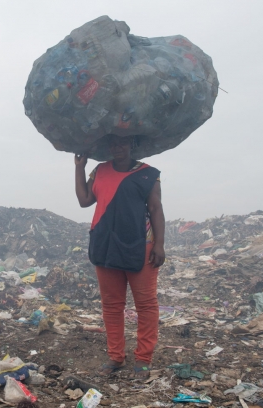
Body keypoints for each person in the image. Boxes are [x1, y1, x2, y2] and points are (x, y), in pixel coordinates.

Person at [74, 135, 165, 380]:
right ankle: (116, 356)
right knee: (112, 306)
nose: (118, 147)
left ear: (132, 144)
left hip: (141, 244)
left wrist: (160, 244)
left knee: (145, 304)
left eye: (123, 142)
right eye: (113, 143)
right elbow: (84, 201)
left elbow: (156, 208)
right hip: (105, 243)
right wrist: (79, 168)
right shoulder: (100, 170)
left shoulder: (148, 174)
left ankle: (143, 360)